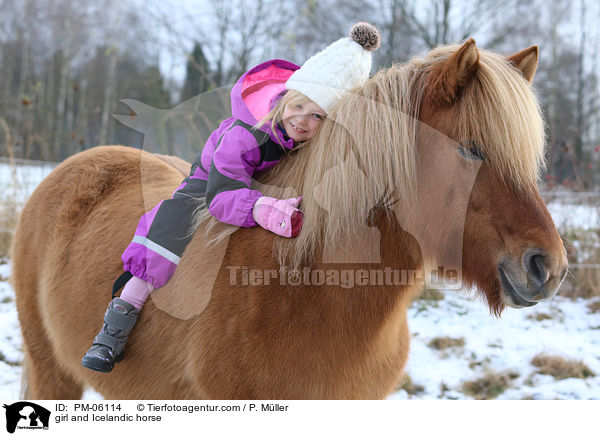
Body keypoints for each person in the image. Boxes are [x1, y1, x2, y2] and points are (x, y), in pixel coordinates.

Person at [81, 22, 381, 373]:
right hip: (209, 190)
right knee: (164, 240)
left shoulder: (305, 143)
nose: (303, 120)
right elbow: (221, 196)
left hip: (260, 194)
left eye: (317, 116)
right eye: (299, 106)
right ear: (284, 97)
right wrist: (260, 207)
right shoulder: (244, 135)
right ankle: (115, 327)